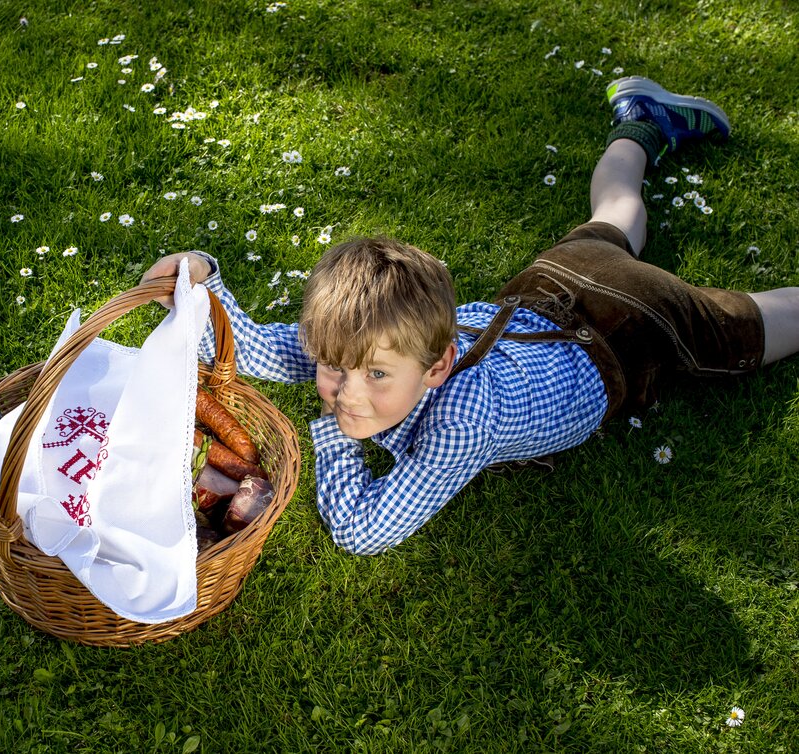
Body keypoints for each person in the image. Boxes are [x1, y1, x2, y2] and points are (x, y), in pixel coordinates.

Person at [142, 77, 799, 555]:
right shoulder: (376, 342)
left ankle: (646, 132)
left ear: (437, 367)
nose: (345, 390)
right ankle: (641, 124)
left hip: (623, 330)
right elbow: (249, 348)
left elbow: (358, 532)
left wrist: (335, 433)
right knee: (614, 217)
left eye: (373, 376)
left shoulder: (461, 423)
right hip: (549, 293)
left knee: (748, 329)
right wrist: (202, 275)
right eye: (330, 367)